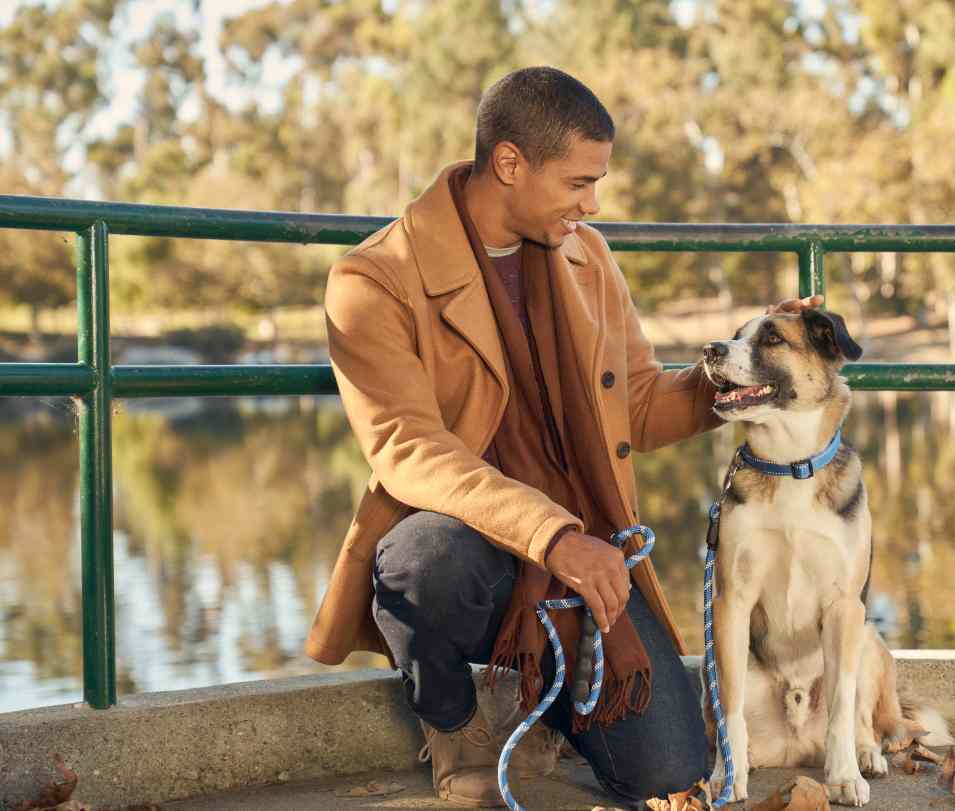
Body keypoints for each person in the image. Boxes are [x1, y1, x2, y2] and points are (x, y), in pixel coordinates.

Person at [304, 66, 821, 807]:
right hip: (479, 549)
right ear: (510, 164)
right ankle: (455, 722)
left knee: (670, 771)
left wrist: (742, 373)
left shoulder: (589, 258)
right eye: (579, 182)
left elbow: (641, 405)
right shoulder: (374, 278)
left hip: (585, 553)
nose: (594, 203)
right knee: (425, 560)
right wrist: (554, 536)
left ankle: (543, 701)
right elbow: (407, 448)